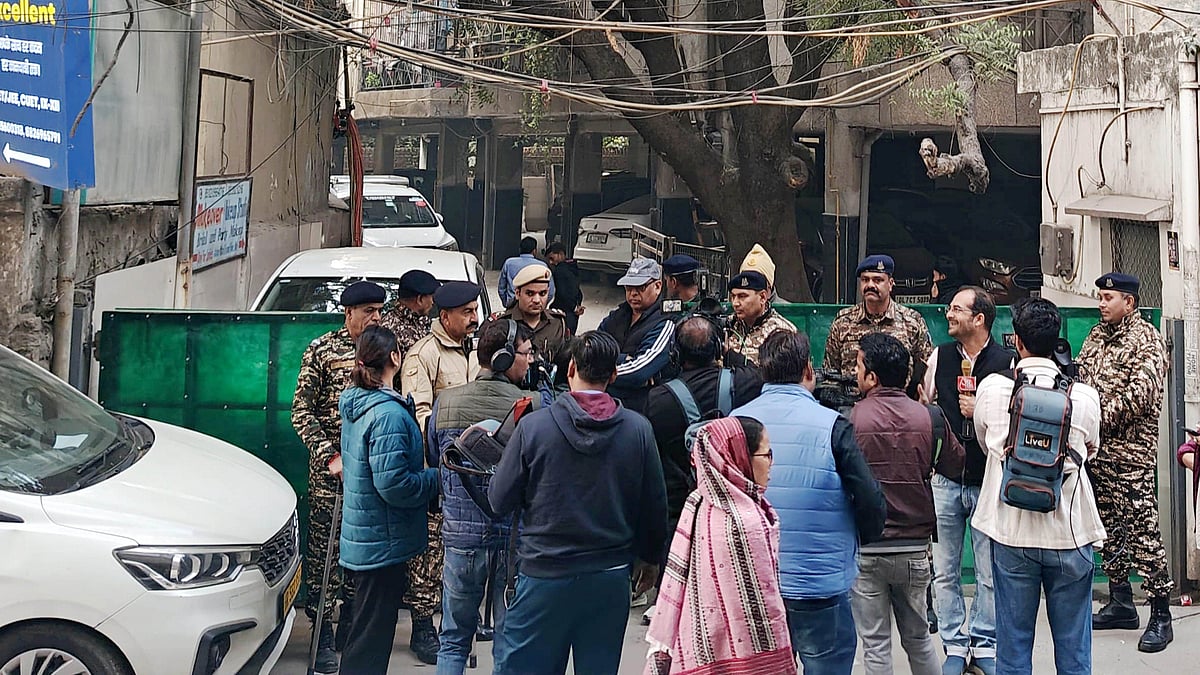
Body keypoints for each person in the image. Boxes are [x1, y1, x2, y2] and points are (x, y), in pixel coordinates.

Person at [489, 331, 668, 675]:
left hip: (544, 573)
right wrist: (649, 558)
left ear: (570, 368)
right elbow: (654, 505)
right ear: (613, 375)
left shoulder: (534, 427)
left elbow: (499, 499)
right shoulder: (638, 430)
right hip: (609, 576)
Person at [732, 330, 886, 673]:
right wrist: (856, 540)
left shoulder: (735, 423)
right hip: (820, 583)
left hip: (754, 582)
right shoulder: (834, 426)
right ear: (808, 370)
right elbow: (870, 501)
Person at [972, 298, 1105, 675]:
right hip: (1070, 534)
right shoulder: (1084, 396)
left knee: (1013, 650)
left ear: (1016, 340)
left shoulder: (993, 389)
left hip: (1012, 534)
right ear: (1057, 340)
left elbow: (985, 443)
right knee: (1074, 653)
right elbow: (1091, 450)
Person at [427, 319, 540, 674]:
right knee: (510, 641)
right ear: (504, 358)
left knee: (453, 639)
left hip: (461, 540)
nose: (531, 360)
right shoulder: (534, 405)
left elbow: (434, 458)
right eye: (526, 353)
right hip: (513, 541)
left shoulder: (445, 401)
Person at [644, 417, 796, 675]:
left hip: (701, 644)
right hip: (744, 660)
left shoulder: (699, 501)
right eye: (766, 454)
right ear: (740, 459)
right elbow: (762, 612)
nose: (771, 463)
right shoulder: (745, 521)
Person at [851, 333, 965, 675]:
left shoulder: (851, 418)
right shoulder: (929, 417)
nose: (854, 372)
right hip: (915, 548)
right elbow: (956, 464)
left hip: (867, 547)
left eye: (858, 366)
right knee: (919, 638)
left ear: (872, 377)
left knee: (875, 645)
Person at [1076, 272, 1174, 652]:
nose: (1101, 304)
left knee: (1143, 535)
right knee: (1108, 532)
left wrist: (1091, 416)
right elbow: (1081, 377)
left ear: (1129, 303)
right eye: (1100, 297)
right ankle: (1120, 602)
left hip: (1131, 457)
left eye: (1108, 298)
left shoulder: (1147, 340)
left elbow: (1141, 397)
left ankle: (1161, 614)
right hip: (1097, 453)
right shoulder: (1097, 336)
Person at [291, 279, 386, 673]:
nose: (376, 318)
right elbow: (301, 412)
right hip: (332, 475)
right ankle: (323, 632)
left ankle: (350, 621)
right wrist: (330, 456)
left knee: (362, 553)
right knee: (325, 556)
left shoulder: (384, 351)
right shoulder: (323, 350)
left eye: (379, 311)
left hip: (371, 474)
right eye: (368, 311)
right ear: (349, 313)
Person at [641, 315, 763, 619]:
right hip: (732, 504)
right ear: (718, 348)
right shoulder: (743, 383)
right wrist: (730, 354)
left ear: (675, 354)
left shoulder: (658, 400)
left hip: (680, 506)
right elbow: (758, 372)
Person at [919, 286, 1012, 675]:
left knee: (989, 571)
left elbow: (1015, 417)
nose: (949, 314)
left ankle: (985, 643)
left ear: (979, 319)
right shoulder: (940, 356)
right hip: (945, 479)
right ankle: (955, 644)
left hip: (987, 480)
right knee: (945, 570)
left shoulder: (1006, 362)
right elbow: (924, 403)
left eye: (957, 309)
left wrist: (981, 410)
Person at [337, 325, 440, 675]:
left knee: (367, 632)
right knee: (371, 640)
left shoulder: (358, 403)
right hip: (382, 541)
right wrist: (435, 479)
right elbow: (394, 484)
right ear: (395, 357)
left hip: (367, 536)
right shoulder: (388, 414)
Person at [401, 280, 482, 664]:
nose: (474, 318)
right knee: (430, 552)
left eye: (475, 310)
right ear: (444, 316)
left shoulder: (476, 351)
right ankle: (422, 625)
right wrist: (438, 465)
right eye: (466, 313)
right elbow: (419, 414)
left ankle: (461, 618)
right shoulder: (424, 354)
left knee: (465, 550)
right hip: (440, 467)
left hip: (475, 469)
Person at [824, 254, 934, 379]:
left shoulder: (911, 322)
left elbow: (926, 370)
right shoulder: (843, 322)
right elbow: (830, 372)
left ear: (890, 284)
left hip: (896, 391)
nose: (870, 285)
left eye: (878, 280)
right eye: (865, 280)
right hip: (853, 391)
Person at [599, 257, 676, 413]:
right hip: (605, 403)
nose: (633, 293)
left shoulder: (665, 322)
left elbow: (638, 372)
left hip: (638, 409)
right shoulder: (617, 316)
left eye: (640, 287)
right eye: (628, 287)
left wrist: (595, 374)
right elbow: (590, 348)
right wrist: (623, 359)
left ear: (657, 286)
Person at [494, 263, 571, 368]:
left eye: (542, 293)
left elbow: (565, 363)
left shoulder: (557, 324)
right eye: (530, 294)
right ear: (517, 293)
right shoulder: (502, 324)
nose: (537, 300)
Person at [727, 270, 797, 365]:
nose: (735, 303)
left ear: (763, 297)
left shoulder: (781, 331)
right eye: (733, 296)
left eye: (742, 296)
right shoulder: (728, 326)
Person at [380, 269, 442, 358]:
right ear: (420, 299)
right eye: (432, 297)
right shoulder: (389, 329)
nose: (433, 302)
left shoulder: (423, 320)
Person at [499, 237, 555, 307]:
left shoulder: (509, 263)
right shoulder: (542, 265)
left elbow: (501, 288)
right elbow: (550, 291)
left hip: (513, 305)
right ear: (534, 251)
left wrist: (507, 303)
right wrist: (542, 304)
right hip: (535, 305)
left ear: (520, 249)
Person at [545, 241, 585, 334]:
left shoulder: (559, 272)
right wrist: (577, 305)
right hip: (573, 312)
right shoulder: (573, 267)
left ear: (560, 254)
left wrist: (574, 307)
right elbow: (577, 290)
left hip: (563, 312)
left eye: (552, 258)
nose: (551, 262)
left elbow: (562, 293)